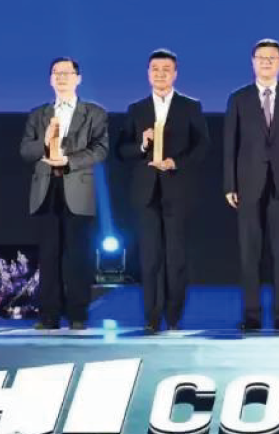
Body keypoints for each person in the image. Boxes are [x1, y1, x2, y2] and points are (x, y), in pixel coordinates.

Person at [118, 49, 210, 332]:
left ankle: (173, 317)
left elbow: (202, 146)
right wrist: (142, 145)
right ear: (148, 73)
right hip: (146, 192)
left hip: (178, 190)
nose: (160, 74)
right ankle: (151, 317)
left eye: (166, 69)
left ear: (175, 74)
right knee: (150, 258)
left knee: (176, 257)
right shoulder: (136, 109)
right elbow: (121, 150)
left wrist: (176, 162)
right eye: (155, 69)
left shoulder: (190, 106)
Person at [223, 39, 279, 331]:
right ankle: (251, 316)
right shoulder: (238, 98)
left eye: (272, 58)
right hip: (248, 184)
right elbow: (230, 144)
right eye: (261, 57)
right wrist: (229, 184)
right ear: (253, 61)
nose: (266, 62)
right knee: (250, 253)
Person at [20, 57, 108, 330]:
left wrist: (69, 161)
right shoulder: (38, 114)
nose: (61, 78)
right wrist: (44, 143)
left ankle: (77, 314)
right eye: (56, 73)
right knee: (48, 256)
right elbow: (25, 150)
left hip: (77, 188)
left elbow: (100, 149)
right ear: (50, 79)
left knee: (77, 256)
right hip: (46, 190)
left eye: (67, 73)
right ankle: (49, 315)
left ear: (78, 79)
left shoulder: (94, 113)